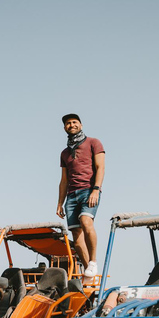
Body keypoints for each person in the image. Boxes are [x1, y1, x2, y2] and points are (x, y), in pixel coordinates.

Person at [56, 113, 105, 280]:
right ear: (64, 128)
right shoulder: (64, 153)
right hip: (71, 195)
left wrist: (96, 189)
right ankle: (88, 272)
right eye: (68, 123)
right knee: (76, 239)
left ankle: (93, 261)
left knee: (86, 221)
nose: (71, 125)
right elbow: (64, 180)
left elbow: (100, 167)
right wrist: (59, 203)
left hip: (88, 190)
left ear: (81, 125)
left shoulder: (93, 142)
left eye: (74, 122)